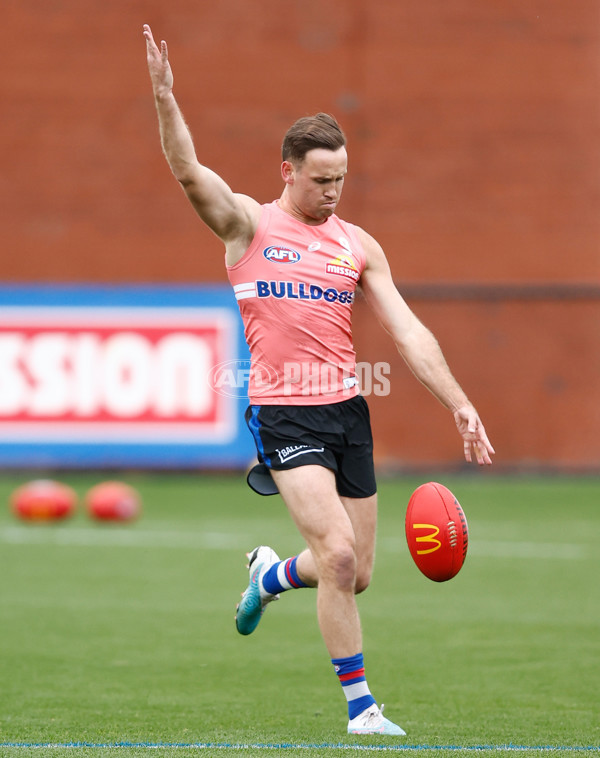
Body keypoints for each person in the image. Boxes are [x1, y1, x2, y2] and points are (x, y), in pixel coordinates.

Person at [143, 23, 495, 737]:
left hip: (347, 414)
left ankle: (268, 576)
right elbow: (188, 171)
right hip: (285, 415)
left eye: (341, 180)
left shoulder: (358, 246)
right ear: (287, 171)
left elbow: (407, 331)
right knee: (335, 556)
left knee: (356, 572)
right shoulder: (248, 226)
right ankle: (362, 709)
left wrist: (459, 403)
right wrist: (164, 95)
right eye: (320, 180)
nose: (333, 192)